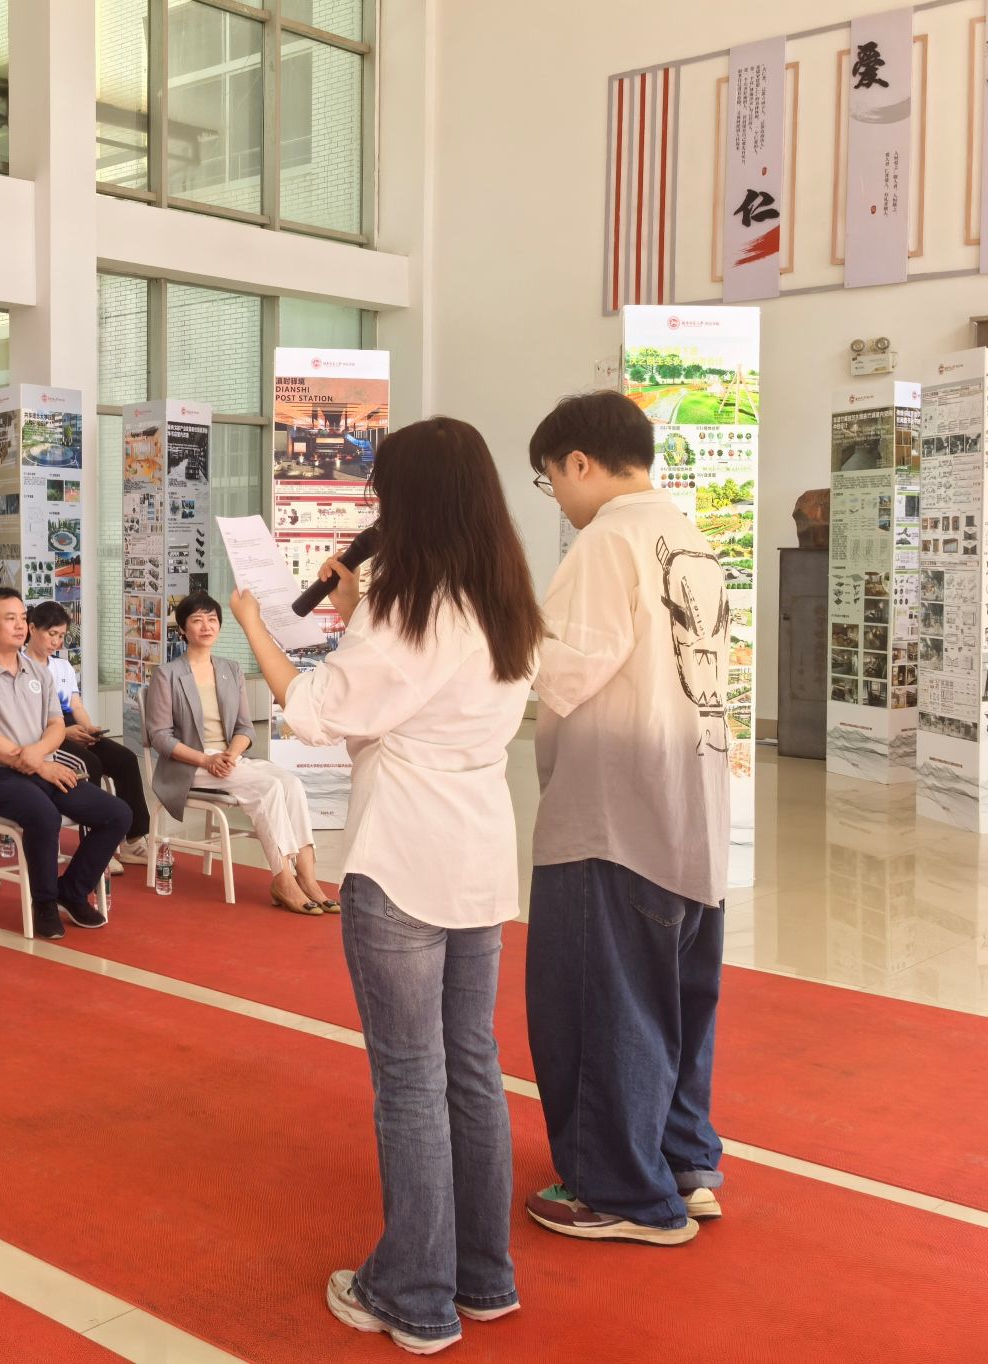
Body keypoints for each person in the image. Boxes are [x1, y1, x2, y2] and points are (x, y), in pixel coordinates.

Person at [232, 416, 538, 1353]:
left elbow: (315, 711)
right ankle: (483, 1276)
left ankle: (413, 1293)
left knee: (409, 1079)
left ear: (406, 500)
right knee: (472, 1066)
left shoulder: (407, 605)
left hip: (402, 851)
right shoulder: (503, 598)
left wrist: (256, 626)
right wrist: (354, 609)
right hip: (479, 850)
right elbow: (406, 695)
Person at [522, 389, 730, 1247]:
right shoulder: (689, 535)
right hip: (692, 807)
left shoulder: (607, 541)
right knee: (677, 1004)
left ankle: (619, 1191)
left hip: (614, 814)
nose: (558, 499)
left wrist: (497, 627)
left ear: (579, 461)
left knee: (599, 1007)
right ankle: (684, 1164)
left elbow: (563, 671)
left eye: (550, 479)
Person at [0, 587, 129, 941]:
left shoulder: (38, 671)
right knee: (43, 815)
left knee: (117, 813)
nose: (21, 625)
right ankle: (43, 902)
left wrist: (42, 756)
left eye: (23, 618)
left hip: (43, 769)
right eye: (10, 619)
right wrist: (39, 764)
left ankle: (71, 891)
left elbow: (57, 725)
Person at [146, 591, 333, 914]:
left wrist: (230, 755)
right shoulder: (168, 674)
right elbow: (160, 737)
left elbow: (245, 728)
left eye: (212, 619)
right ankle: (283, 879)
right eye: (197, 620)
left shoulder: (230, 670)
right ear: (183, 630)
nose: (206, 626)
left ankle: (307, 876)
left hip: (230, 759)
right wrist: (207, 759)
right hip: (190, 764)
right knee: (268, 788)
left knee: (291, 784)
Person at [25, 600, 152, 871]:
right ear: (32, 629)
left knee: (125, 759)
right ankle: (94, 848)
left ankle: (134, 839)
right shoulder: (21, 667)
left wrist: (89, 729)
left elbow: (76, 706)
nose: (57, 641)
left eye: (61, 635)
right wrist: (65, 731)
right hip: (43, 732)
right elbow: (26, 718)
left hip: (70, 726)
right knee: (89, 764)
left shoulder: (63, 667)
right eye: (52, 634)